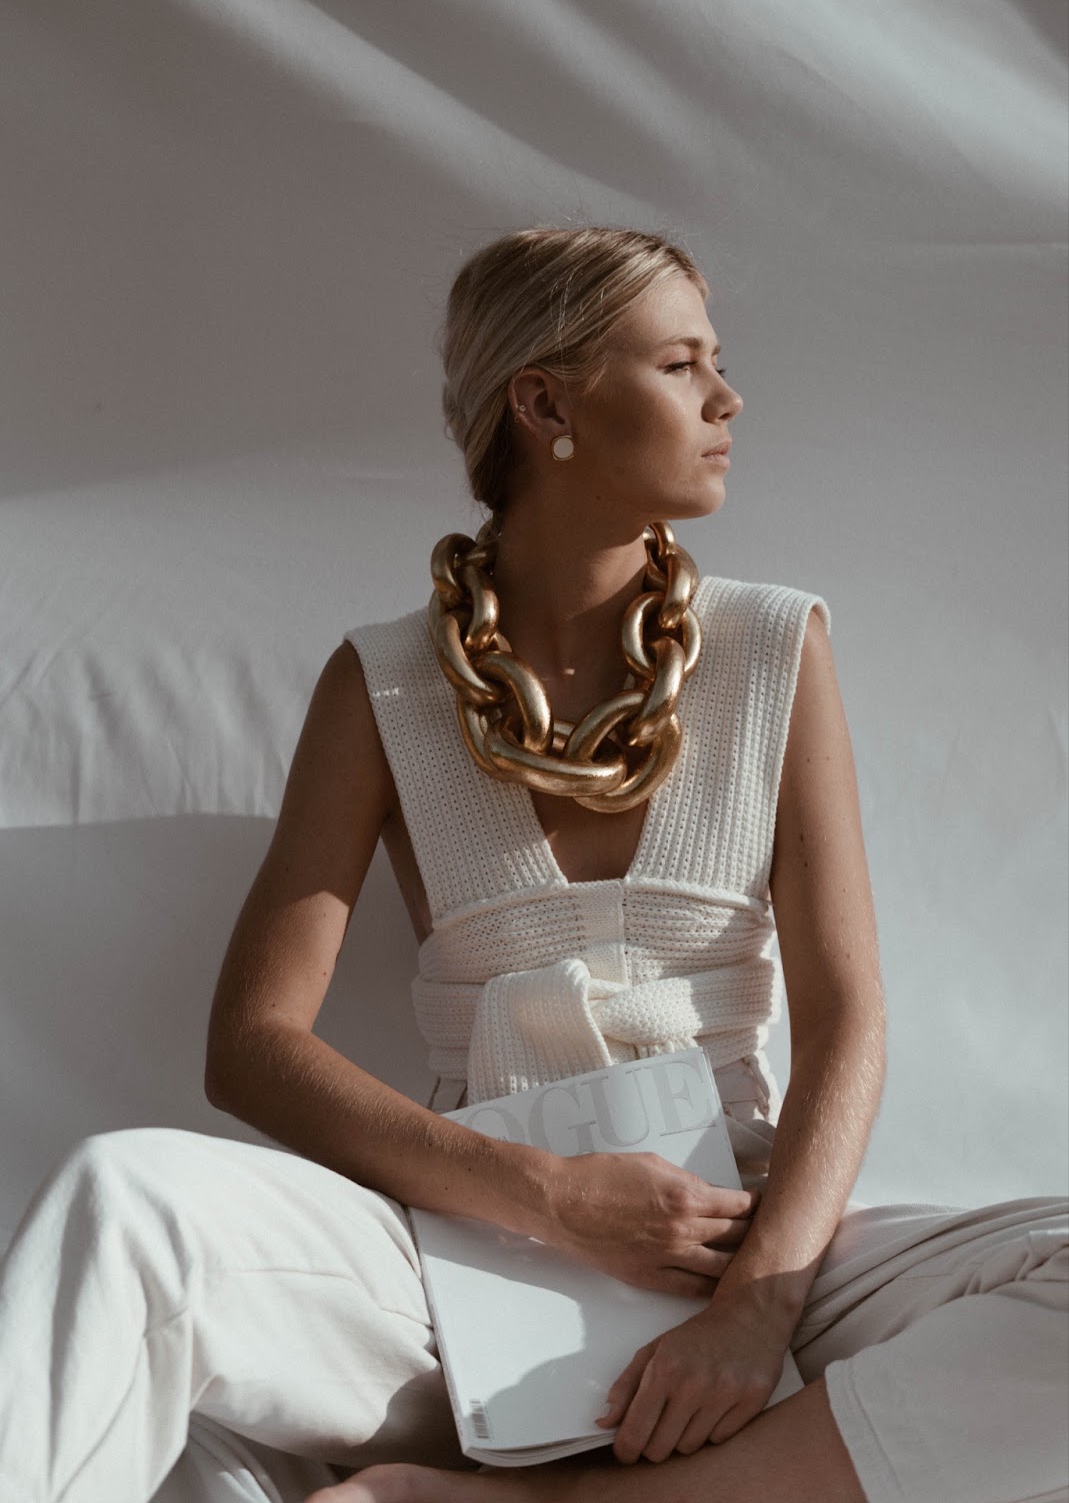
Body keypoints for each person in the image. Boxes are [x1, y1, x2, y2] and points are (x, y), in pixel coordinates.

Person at [0, 227, 1065, 1503]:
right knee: (122, 1203)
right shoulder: (384, 684)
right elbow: (253, 1047)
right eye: (679, 364)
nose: (726, 399)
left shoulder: (774, 646)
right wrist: (550, 1197)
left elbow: (847, 1017)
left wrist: (755, 1308)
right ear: (545, 404)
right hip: (460, 1265)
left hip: (750, 1249)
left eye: (715, 362)